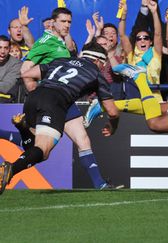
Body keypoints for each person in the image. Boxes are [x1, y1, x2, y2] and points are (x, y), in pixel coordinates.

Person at [0, 42, 120, 195]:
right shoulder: (96, 74)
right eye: (103, 64)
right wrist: (113, 125)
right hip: (57, 101)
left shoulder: (62, 60)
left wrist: (36, 92)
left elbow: (26, 74)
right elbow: (112, 111)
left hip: (37, 97)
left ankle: (100, 184)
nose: (103, 68)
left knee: (80, 139)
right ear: (98, 61)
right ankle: (10, 169)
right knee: (42, 151)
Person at [20, 7, 118, 189]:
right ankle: (12, 138)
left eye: (69, 22)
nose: (67, 25)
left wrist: (94, 34)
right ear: (52, 22)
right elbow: (25, 70)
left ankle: (101, 185)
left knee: (82, 139)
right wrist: (36, 94)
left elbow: (80, 62)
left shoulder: (60, 42)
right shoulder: (47, 41)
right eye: (63, 21)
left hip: (63, 99)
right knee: (40, 147)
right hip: (52, 99)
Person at [0, 35, 22, 102]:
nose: (2, 51)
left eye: (6, 48)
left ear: (9, 49)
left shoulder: (16, 64)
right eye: (0, 47)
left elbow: (6, 87)